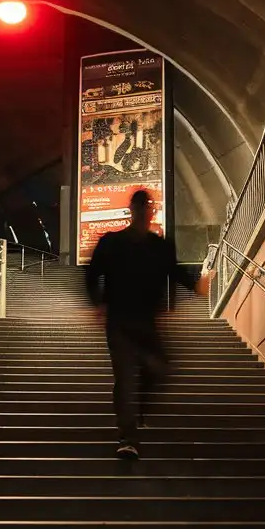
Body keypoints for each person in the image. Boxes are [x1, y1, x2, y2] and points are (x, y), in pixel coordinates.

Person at [85, 189, 211, 459]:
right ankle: (127, 437)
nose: (144, 212)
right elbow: (92, 275)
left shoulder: (158, 246)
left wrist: (196, 285)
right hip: (120, 322)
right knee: (125, 377)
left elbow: (176, 273)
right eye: (141, 207)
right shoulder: (113, 242)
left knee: (156, 369)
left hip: (143, 321)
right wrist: (98, 304)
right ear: (134, 211)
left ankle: (139, 409)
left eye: (147, 207)